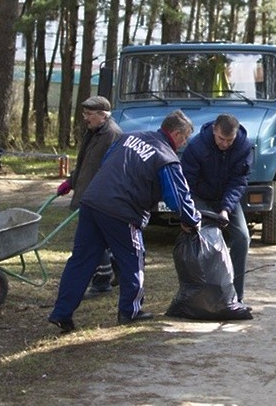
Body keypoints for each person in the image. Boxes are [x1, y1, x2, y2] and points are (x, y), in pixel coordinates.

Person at [48, 110, 201, 333]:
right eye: (184, 137)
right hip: (122, 211)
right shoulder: (166, 156)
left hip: (92, 202)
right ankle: (130, 311)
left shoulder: (130, 137)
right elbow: (177, 196)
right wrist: (191, 220)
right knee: (133, 258)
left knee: (81, 261)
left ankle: (61, 313)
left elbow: (107, 161)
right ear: (176, 133)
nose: (184, 143)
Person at [180, 113, 253, 304]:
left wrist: (226, 209)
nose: (225, 144)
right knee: (207, 239)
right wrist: (190, 213)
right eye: (221, 138)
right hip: (201, 197)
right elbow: (187, 182)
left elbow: (239, 181)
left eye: (230, 140)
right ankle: (204, 296)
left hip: (226, 199)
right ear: (214, 130)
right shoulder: (196, 146)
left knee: (242, 238)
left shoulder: (244, 147)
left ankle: (236, 296)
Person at [55, 96, 122, 296]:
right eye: (84, 113)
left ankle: (102, 281)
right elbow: (86, 162)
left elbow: (110, 171)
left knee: (93, 240)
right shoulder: (94, 132)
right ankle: (116, 270)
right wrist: (72, 180)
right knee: (102, 239)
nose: (85, 118)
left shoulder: (111, 134)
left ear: (103, 115)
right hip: (88, 193)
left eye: (89, 114)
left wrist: (98, 196)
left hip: (99, 198)